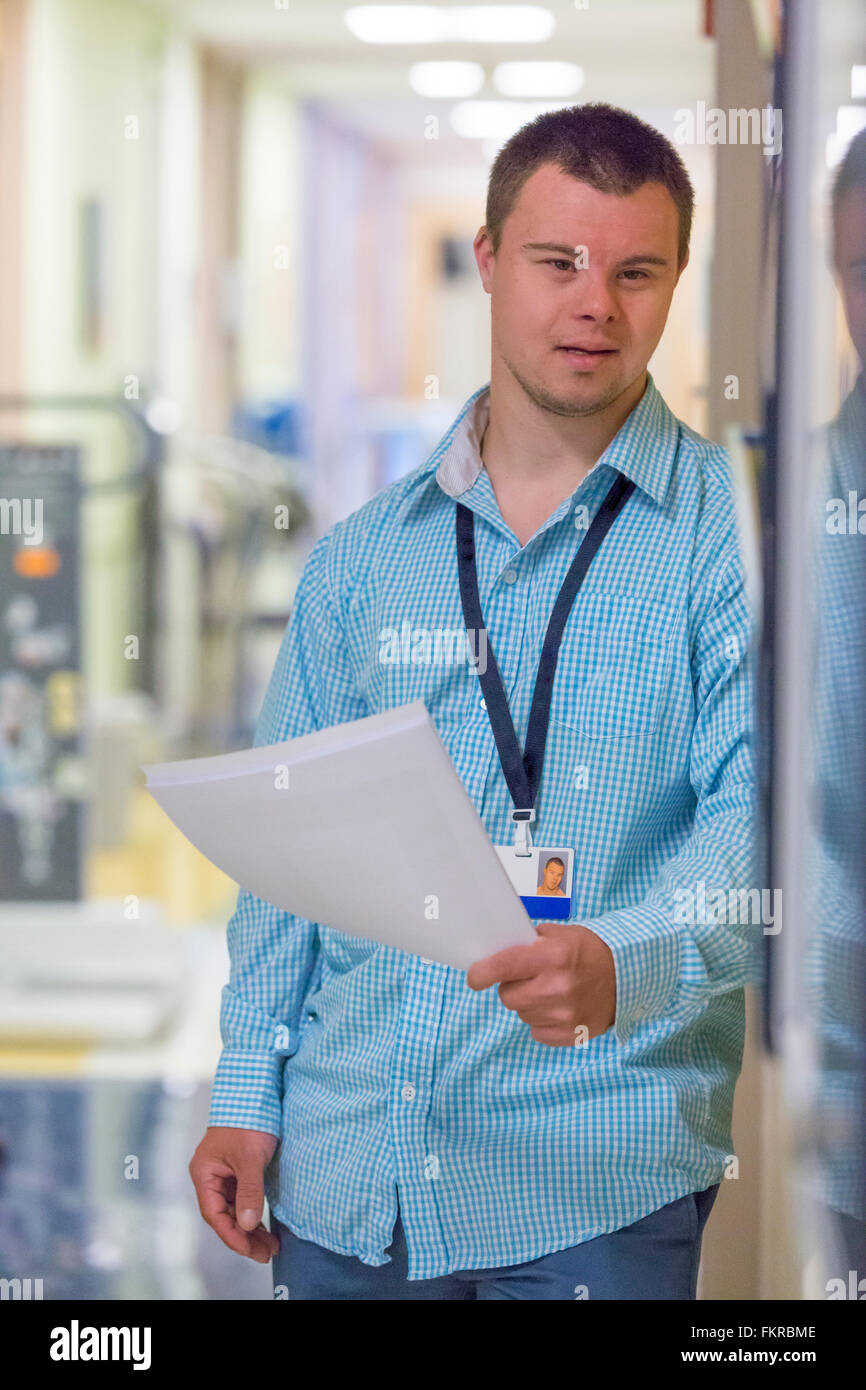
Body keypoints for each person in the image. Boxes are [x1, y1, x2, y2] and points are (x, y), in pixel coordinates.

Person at [189, 102, 758, 1300]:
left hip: (592, 1185)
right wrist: (249, 1090)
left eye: (635, 271)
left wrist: (622, 954)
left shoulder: (730, 547)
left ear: (672, 286)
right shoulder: (360, 560)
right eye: (557, 261)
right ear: (489, 261)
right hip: (353, 1174)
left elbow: (750, 830)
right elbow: (287, 849)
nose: (595, 303)